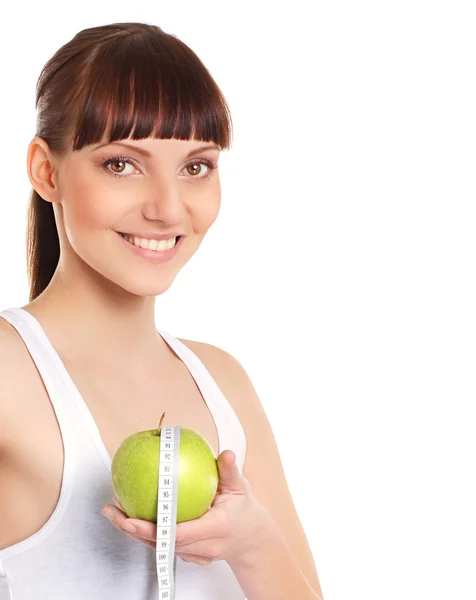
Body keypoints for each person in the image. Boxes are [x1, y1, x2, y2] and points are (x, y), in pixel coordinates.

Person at [0, 22, 323, 600]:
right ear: (47, 171)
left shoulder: (224, 381)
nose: (169, 208)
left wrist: (251, 543)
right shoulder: (8, 372)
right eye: (122, 164)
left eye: (196, 167)